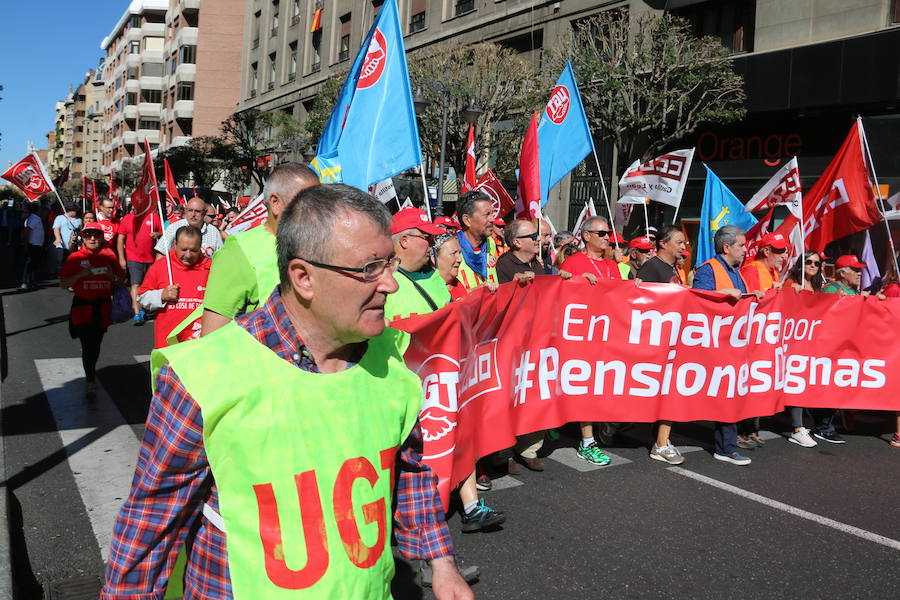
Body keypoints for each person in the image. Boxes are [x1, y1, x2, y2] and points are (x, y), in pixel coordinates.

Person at [102, 184, 472, 600]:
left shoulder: (390, 358)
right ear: (303, 277)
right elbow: (149, 531)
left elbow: (409, 471)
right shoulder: (204, 377)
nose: (391, 284)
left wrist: (441, 564)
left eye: (389, 263)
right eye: (370, 268)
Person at [200, 163, 319, 336]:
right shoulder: (237, 252)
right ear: (275, 203)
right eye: (307, 202)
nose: (318, 211)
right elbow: (212, 336)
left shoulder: (324, 245)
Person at [692, 225, 761, 466]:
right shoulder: (708, 270)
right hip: (716, 344)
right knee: (726, 395)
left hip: (733, 343)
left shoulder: (735, 271)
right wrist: (722, 293)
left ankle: (727, 445)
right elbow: (697, 301)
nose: (745, 249)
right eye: (741, 245)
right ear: (727, 247)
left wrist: (754, 297)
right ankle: (726, 447)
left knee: (731, 394)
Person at [559, 215, 620, 466]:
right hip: (584, 335)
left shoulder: (613, 265)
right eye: (602, 233)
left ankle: (601, 425)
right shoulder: (574, 262)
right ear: (586, 236)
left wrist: (635, 285)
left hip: (610, 334)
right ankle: (587, 442)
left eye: (608, 234)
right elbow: (560, 290)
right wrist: (573, 280)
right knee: (586, 388)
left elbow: (622, 295)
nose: (608, 238)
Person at [635, 225, 689, 465]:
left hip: (671, 339)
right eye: (679, 242)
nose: (683, 246)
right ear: (664, 244)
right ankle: (660, 443)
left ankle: (662, 440)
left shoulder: (673, 269)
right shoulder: (651, 267)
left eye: (684, 243)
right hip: (655, 341)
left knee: (669, 391)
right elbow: (641, 305)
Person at [59, 222, 126, 397]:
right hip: (82, 309)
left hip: (103, 310)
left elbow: (121, 281)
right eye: (88, 235)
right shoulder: (76, 257)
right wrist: (80, 275)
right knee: (88, 345)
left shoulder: (109, 256)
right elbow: (63, 283)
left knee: (95, 346)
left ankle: (90, 372)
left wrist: (111, 276)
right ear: (83, 237)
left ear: (102, 237)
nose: (92, 238)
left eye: (96, 235)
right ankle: (90, 379)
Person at [809, 254, 868, 445]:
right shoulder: (832, 289)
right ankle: (823, 427)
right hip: (831, 349)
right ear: (842, 273)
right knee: (830, 389)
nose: (860, 274)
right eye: (855, 270)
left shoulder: (851, 291)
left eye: (860, 270)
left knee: (839, 388)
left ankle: (827, 423)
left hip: (846, 348)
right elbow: (822, 314)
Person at [138, 226, 211, 349]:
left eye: (193, 250)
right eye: (184, 249)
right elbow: (142, 298)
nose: (187, 255)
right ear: (175, 244)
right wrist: (161, 295)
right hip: (168, 344)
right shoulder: (160, 267)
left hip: (200, 344)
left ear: (200, 247)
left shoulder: (211, 268)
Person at [383, 207, 450, 322]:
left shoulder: (433, 274)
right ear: (404, 241)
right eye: (427, 237)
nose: (432, 243)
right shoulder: (381, 282)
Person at [117, 205, 163, 326]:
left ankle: (143, 307)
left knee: (147, 286)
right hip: (133, 258)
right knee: (135, 284)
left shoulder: (153, 217)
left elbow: (164, 232)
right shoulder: (127, 218)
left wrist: (157, 234)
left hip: (150, 258)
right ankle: (137, 313)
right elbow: (120, 239)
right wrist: (122, 258)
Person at [456, 191, 499, 290]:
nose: (492, 219)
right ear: (467, 220)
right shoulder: (452, 249)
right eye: (486, 214)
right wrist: (476, 293)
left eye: (492, 214)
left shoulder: (491, 243)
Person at [155, 196, 223, 259]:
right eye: (190, 210)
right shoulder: (173, 228)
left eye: (197, 211)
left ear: (204, 213)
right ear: (185, 211)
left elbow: (220, 257)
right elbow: (161, 253)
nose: (193, 214)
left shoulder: (213, 232)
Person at [20, 202, 45, 290]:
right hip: (33, 245)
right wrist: (25, 244)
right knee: (30, 264)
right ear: (37, 210)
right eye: (40, 208)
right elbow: (26, 231)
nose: (41, 210)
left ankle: (32, 282)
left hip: (36, 244)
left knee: (34, 264)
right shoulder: (34, 218)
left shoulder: (34, 218)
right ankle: (25, 282)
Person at [51, 203, 81, 275]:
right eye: (74, 210)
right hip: (62, 245)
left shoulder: (79, 220)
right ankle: (62, 277)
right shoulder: (59, 218)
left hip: (74, 245)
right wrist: (58, 238)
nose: (75, 212)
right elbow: (56, 228)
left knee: (73, 262)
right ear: (69, 211)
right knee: (61, 262)